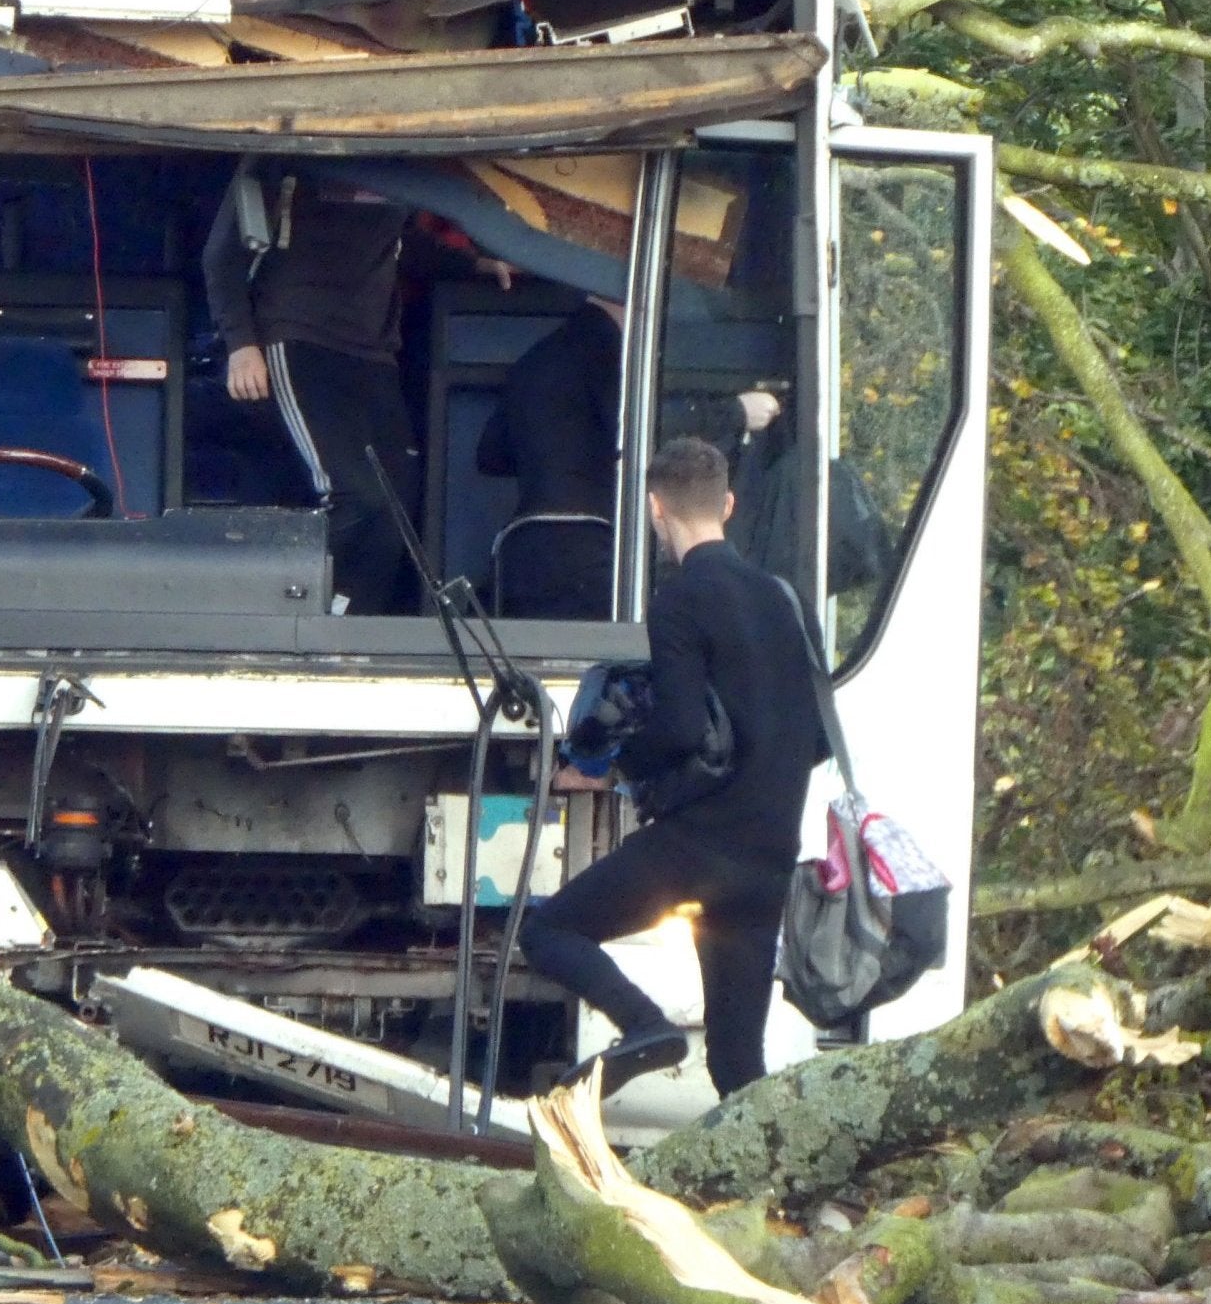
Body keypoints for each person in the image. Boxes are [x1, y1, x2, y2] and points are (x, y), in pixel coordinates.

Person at [518, 435, 825, 1099]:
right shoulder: (788, 601)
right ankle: (774, 1194)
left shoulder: (680, 600)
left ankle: (643, 1027)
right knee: (737, 1057)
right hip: (770, 856)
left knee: (548, 929)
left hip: (699, 847)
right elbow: (819, 739)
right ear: (729, 504)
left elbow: (681, 728)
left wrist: (606, 767)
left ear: (656, 509)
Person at [206, 173, 500, 614]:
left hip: (374, 352)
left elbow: (403, 246)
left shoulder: (395, 165)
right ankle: (285, 612)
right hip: (298, 337)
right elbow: (221, 255)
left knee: (397, 502)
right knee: (354, 495)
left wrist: (478, 264)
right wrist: (241, 344)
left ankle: (353, 618)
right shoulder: (283, 157)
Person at [477, 295, 780, 618]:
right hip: (588, 552)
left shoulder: (534, 359)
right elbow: (641, 424)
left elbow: (490, 455)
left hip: (520, 550)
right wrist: (736, 412)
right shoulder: (609, 351)